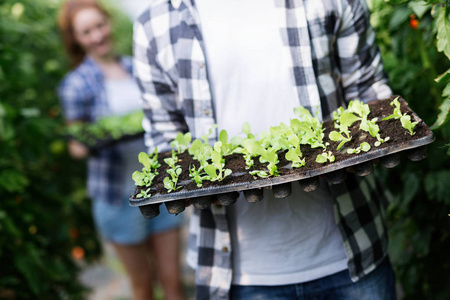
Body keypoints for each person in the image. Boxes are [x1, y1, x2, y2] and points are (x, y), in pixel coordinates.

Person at [133, 0, 396, 299]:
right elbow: (165, 141)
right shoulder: (155, 22)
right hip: (237, 273)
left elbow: (370, 92)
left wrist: (364, 144)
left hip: (351, 250)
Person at [57, 1, 185, 299]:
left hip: (160, 186)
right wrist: (92, 142)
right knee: (142, 287)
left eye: (99, 26)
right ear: (76, 39)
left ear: (109, 23)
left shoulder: (136, 67)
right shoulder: (75, 85)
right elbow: (76, 146)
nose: (97, 35)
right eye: (86, 31)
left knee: (173, 282)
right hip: (118, 198)